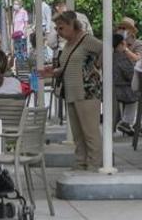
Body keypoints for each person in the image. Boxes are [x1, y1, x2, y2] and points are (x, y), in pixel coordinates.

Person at [42, 11, 103, 171]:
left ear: (71, 25)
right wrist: (54, 71)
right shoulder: (68, 44)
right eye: (57, 28)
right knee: (78, 133)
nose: (58, 32)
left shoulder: (86, 40)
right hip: (71, 91)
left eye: (61, 28)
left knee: (90, 132)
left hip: (87, 91)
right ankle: (80, 161)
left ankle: (94, 163)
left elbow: (104, 50)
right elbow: (67, 66)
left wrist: (95, 67)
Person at [113, 33, 138, 136]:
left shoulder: (109, 56)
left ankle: (127, 122)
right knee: (136, 94)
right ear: (120, 44)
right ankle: (127, 122)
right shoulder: (122, 57)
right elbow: (130, 74)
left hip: (113, 88)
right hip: (122, 89)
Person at [11, 0, 29, 64]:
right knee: (17, 51)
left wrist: (25, 32)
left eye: (16, 4)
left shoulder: (24, 12)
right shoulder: (14, 13)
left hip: (22, 35)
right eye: (14, 4)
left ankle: (24, 65)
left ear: (20, 4)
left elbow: (26, 23)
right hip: (15, 35)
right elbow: (13, 24)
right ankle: (18, 65)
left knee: (22, 50)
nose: (15, 5)